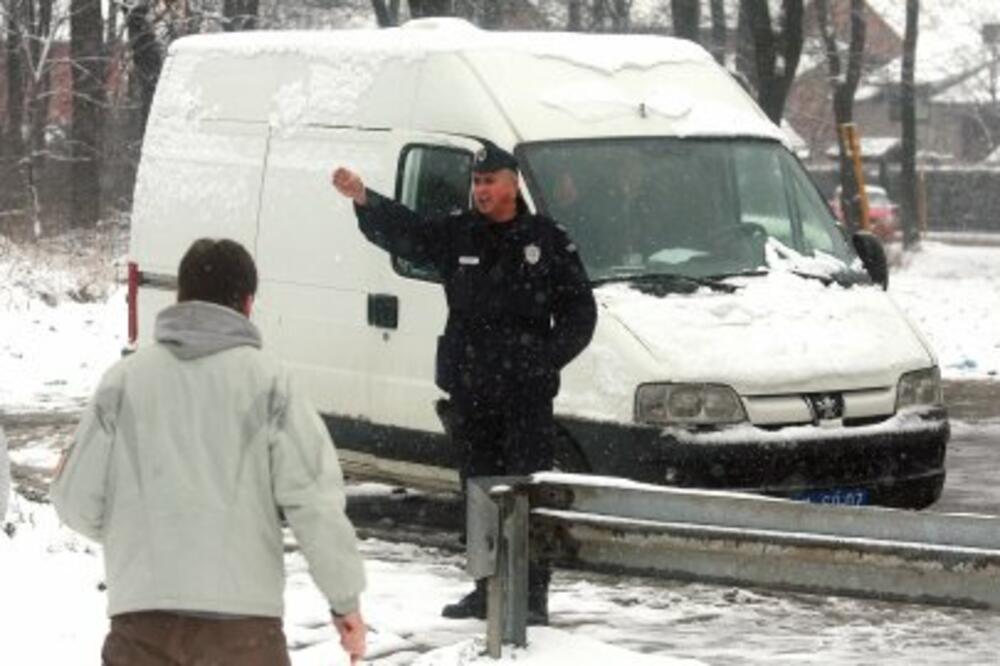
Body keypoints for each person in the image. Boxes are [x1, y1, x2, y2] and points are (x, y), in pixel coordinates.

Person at [51, 239, 367, 666]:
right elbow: (315, 505)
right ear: (248, 303)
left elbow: (73, 501)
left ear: (180, 297)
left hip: (141, 627)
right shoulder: (272, 384)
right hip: (243, 634)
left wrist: (139, 537)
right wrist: (345, 602)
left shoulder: (123, 382)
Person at [331, 141, 597, 625]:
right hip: (473, 390)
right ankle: (485, 588)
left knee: (527, 493)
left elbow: (581, 313)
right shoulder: (459, 233)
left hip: (525, 397)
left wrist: (545, 361)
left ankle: (531, 596)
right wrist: (365, 199)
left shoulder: (546, 239)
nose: (481, 190)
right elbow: (410, 233)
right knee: (479, 492)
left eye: (489, 181)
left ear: (513, 184)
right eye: (476, 182)